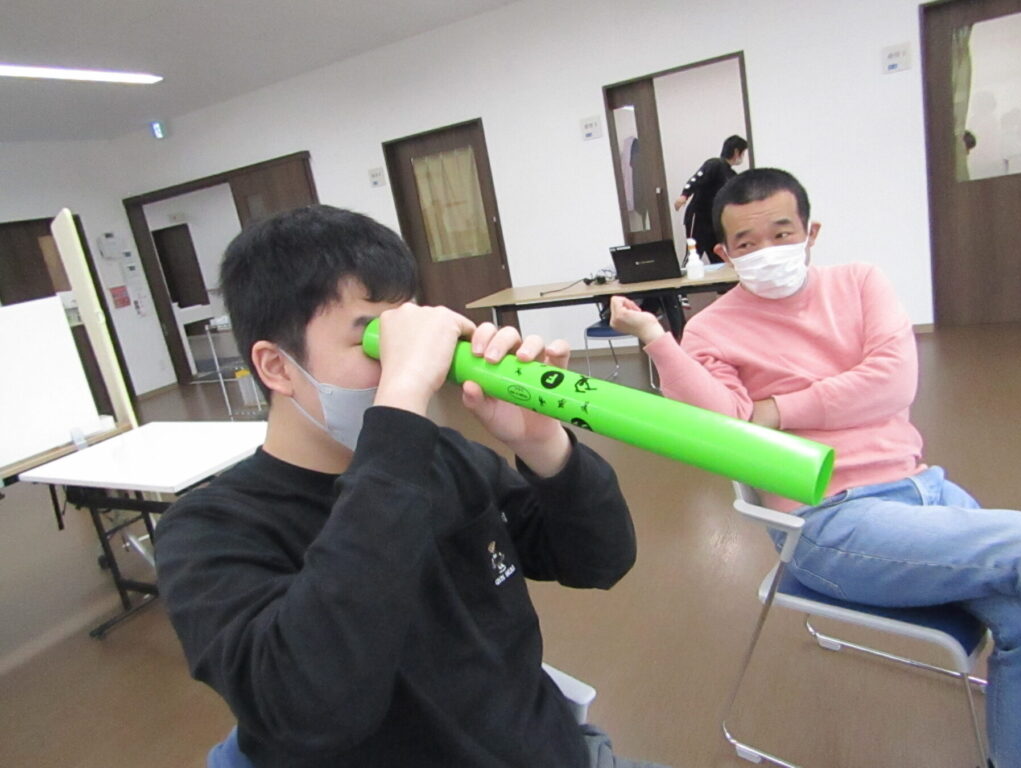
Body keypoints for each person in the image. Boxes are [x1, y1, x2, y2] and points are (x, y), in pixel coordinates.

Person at [154, 205, 668, 768]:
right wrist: (399, 405)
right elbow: (310, 708)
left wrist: (543, 444)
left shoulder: (445, 458)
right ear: (276, 367)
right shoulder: (208, 531)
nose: (419, 364)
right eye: (376, 341)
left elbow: (601, 561)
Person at [611, 168, 1021, 768]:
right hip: (828, 521)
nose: (767, 251)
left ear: (811, 232)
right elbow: (727, 428)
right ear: (725, 254)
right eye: (747, 243)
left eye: (782, 233)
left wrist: (779, 409)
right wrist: (656, 336)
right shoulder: (711, 329)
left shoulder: (860, 282)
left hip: (924, 488)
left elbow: (893, 382)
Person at [673, 135, 748, 263]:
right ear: (736, 152)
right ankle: (686, 276)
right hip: (699, 217)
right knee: (693, 254)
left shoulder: (731, 175)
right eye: (743, 152)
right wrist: (684, 195)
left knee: (719, 256)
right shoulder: (714, 164)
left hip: (714, 220)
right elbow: (696, 179)